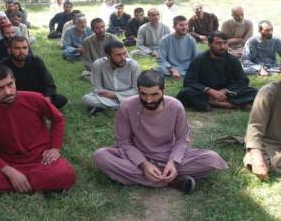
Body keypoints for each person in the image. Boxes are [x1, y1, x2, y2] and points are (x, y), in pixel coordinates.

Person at [93, 70, 228, 193]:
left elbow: (182, 139)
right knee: (101, 156)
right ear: (138, 91)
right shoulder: (127, 106)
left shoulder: (175, 106)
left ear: (164, 90)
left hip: (167, 154)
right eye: (143, 94)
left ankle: (155, 176)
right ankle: (173, 181)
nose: (148, 100)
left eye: (154, 94)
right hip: (137, 155)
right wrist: (144, 165)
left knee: (211, 159)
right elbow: (123, 142)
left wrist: (173, 162)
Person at [0, 64, 76, 193]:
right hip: (7, 162)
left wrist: (55, 148)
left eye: (10, 84)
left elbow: (58, 119)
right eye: (0, 88)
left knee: (66, 173)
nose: (8, 91)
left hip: (40, 159)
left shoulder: (35, 98)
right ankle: (26, 182)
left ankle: (15, 184)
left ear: (14, 80)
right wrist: (11, 173)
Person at [177, 31, 257, 112]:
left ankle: (212, 103)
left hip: (227, 93)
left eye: (225, 43)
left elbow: (243, 81)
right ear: (209, 45)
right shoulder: (199, 59)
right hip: (205, 93)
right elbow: (189, 81)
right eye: (218, 43)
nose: (222, 46)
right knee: (185, 93)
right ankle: (228, 104)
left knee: (254, 92)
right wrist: (210, 91)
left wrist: (224, 91)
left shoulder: (233, 60)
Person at [1, 36, 67, 109]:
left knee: (61, 99)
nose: (22, 51)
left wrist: (46, 100)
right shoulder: (4, 66)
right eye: (17, 48)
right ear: (9, 50)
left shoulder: (36, 61)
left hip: (37, 97)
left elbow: (49, 84)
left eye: (24, 48)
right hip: (16, 99)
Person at [82, 41, 139, 115]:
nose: (123, 58)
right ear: (108, 56)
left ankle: (104, 107)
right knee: (87, 98)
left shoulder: (132, 65)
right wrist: (105, 93)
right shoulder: (98, 64)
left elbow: (136, 89)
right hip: (107, 96)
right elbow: (96, 87)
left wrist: (115, 95)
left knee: (139, 98)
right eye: (118, 55)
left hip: (127, 95)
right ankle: (123, 106)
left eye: (124, 53)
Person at [244, 81, 281, 181]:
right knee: (265, 160)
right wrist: (257, 160)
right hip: (271, 143)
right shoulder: (268, 92)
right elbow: (255, 127)